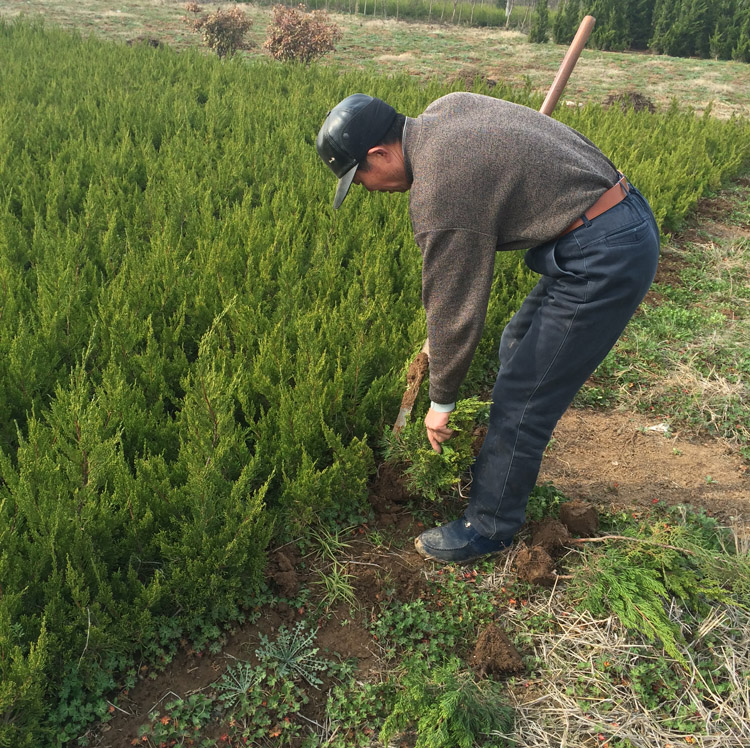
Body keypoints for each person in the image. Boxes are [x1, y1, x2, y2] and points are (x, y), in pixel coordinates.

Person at [315, 92, 660, 564]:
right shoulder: (447, 109)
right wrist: (439, 339)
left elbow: (457, 302)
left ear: (380, 153)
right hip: (610, 218)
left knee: (522, 401)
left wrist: (441, 401)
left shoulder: (440, 190)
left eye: (363, 178)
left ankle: (489, 527)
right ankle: (507, 456)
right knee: (517, 343)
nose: (369, 189)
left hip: (603, 254)